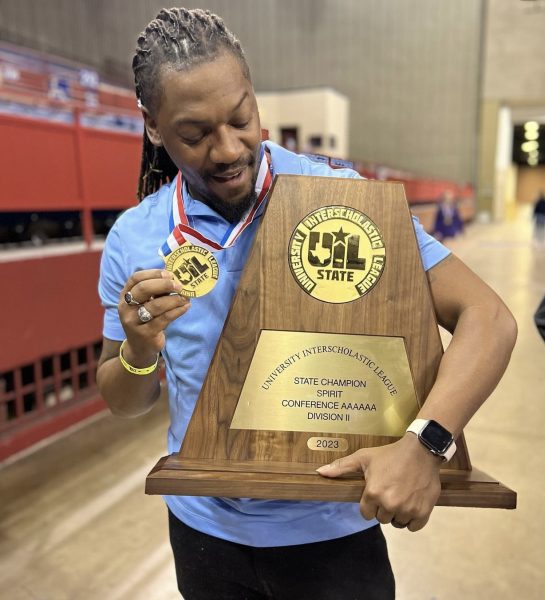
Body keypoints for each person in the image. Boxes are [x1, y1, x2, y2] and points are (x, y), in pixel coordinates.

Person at [96, 8, 517, 600]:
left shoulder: (339, 199)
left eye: (242, 118)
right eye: (194, 134)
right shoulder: (133, 238)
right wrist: (140, 348)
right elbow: (123, 398)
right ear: (153, 127)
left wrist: (426, 443)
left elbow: (489, 319)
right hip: (203, 535)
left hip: (333, 530)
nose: (227, 149)